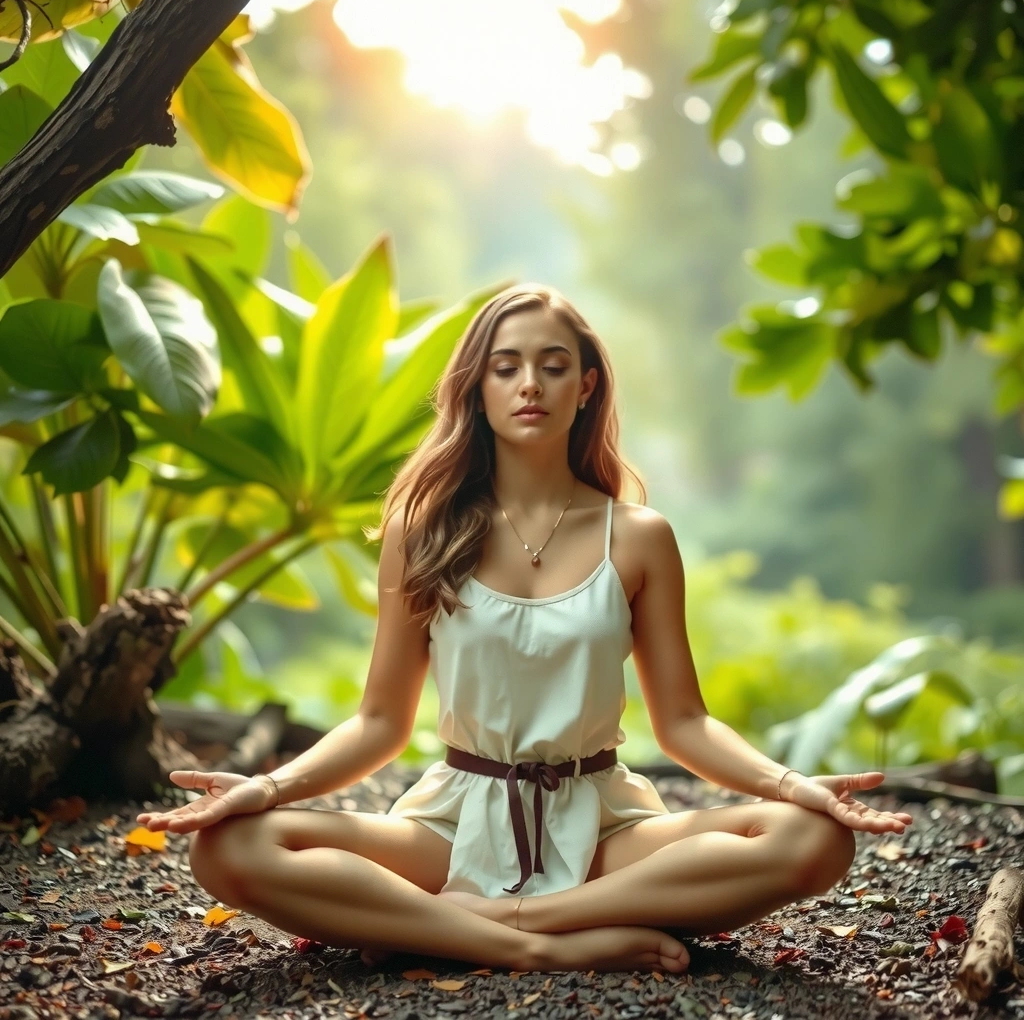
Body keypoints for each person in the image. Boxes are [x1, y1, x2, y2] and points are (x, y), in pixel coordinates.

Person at [137, 283, 913, 975]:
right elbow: (379, 723)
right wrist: (266, 787)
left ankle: (499, 923)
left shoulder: (639, 537)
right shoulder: (423, 530)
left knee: (815, 839)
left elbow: (684, 723)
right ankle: (542, 946)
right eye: (506, 367)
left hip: (603, 825)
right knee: (229, 847)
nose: (530, 384)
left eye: (553, 365)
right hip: (452, 823)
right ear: (477, 389)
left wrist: (793, 785)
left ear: (586, 385)